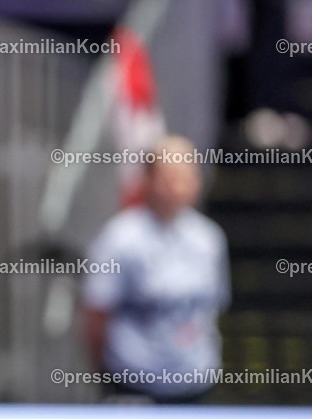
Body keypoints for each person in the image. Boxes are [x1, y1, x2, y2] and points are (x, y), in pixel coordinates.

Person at [82, 135, 231, 404]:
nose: (178, 187)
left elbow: (213, 308)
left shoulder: (209, 238)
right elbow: (96, 315)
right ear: (148, 180)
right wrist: (106, 380)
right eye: (169, 177)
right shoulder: (119, 238)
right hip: (135, 387)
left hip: (195, 384)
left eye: (187, 176)